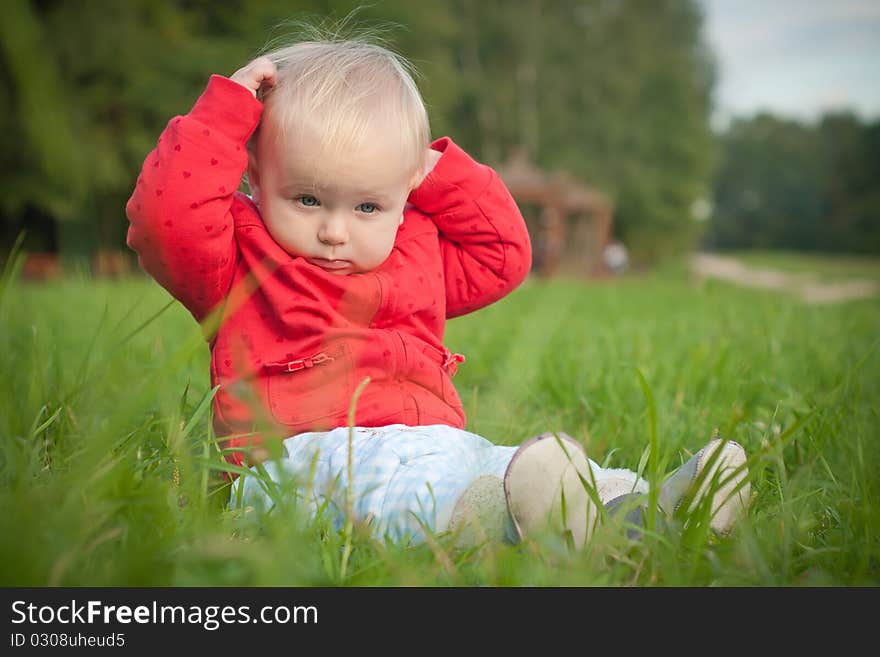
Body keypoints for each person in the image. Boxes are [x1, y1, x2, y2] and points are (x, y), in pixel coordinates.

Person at [126, 32, 750, 549]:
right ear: (256, 177)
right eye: (307, 198)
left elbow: (505, 254)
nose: (335, 231)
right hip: (293, 458)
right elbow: (164, 219)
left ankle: (645, 505)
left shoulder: (415, 249)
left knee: (499, 458)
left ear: (405, 192)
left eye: (368, 204)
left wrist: (437, 171)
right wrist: (225, 116)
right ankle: (511, 518)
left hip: (432, 440)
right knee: (411, 491)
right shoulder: (238, 256)